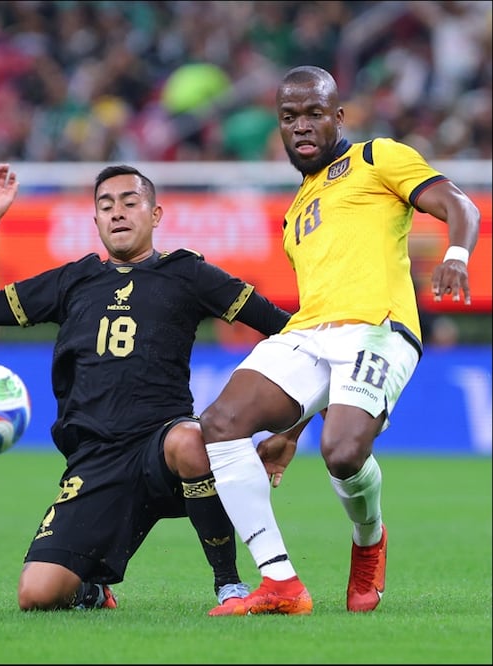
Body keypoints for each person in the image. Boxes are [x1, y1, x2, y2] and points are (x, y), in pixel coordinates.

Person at [200, 65, 480, 616]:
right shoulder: (294, 214)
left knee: (344, 452)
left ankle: (369, 540)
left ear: (339, 116)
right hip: (309, 332)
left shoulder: (378, 157)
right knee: (220, 423)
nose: (301, 125)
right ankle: (280, 582)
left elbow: (460, 204)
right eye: (289, 117)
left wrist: (456, 254)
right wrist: (291, 427)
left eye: (314, 113)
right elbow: (324, 331)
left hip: (379, 329)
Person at [0, 162, 293, 614]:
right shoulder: (73, 281)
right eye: (106, 205)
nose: (117, 212)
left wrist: (291, 424)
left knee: (190, 439)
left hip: (162, 450)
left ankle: (229, 584)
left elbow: (283, 328)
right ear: (96, 220)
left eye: (130, 202)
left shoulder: (189, 274)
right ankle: (93, 590)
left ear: (155, 215)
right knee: (36, 595)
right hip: (95, 462)